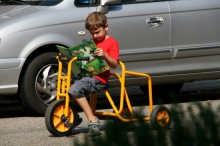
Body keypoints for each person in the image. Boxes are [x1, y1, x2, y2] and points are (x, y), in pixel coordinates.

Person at [68, 12, 120, 136]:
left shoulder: (112, 42)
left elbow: (114, 65)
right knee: (67, 84)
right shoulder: (92, 42)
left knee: (75, 89)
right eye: (92, 33)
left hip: (99, 78)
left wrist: (105, 55)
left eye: (97, 32)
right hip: (88, 75)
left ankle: (93, 120)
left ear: (106, 27)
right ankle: (72, 116)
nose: (95, 36)